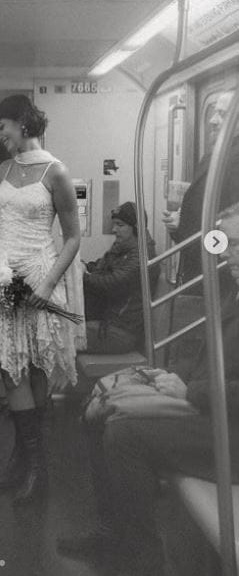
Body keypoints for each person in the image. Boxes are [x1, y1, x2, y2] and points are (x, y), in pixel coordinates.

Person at [56, 202, 239, 576]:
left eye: (236, 244)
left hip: (230, 429)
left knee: (125, 435)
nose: (227, 254)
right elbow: (212, 358)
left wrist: (190, 391)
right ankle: (112, 532)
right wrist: (168, 376)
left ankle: (143, 557)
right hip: (215, 410)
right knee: (100, 411)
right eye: (227, 243)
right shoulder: (233, 292)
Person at [0, 94, 83, 504]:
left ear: (23, 122)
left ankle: (31, 467)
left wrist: (47, 285)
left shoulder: (56, 171)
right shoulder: (4, 170)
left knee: (35, 369)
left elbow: (73, 237)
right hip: (2, 275)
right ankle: (29, 462)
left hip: (39, 275)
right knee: (11, 369)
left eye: (1, 126)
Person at [163, 90, 239, 287]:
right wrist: (182, 222)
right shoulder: (214, 156)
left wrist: (213, 249)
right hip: (199, 262)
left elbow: (233, 219)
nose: (213, 120)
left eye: (222, 114)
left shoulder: (235, 159)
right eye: (213, 113)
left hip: (219, 271)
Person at [83, 202, 160, 354]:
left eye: (120, 225)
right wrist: (81, 266)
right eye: (114, 224)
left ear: (136, 228)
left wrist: (83, 276)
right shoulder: (122, 249)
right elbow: (99, 267)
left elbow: (113, 283)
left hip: (122, 332)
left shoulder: (142, 255)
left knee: (60, 334)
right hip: (110, 322)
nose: (114, 230)